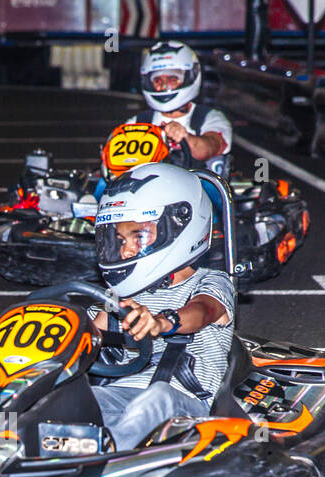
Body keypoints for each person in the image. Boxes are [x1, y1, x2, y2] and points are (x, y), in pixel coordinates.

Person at [89, 163, 236, 450]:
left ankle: (108, 464)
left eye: (138, 236)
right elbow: (88, 333)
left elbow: (203, 311)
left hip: (183, 404)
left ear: (180, 227)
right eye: (120, 239)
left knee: (157, 396)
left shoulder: (210, 283)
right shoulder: (118, 297)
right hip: (121, 394)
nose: (127, 250)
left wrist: (162, 322)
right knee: (77, 397)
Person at [127, 41, 233, 179]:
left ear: (191, 76)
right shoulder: (136, 124)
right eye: (158, 80)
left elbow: (210, 147)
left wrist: (186, 138)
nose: (164, 85)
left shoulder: (210, 118)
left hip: (199, 194)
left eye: (172, 79)